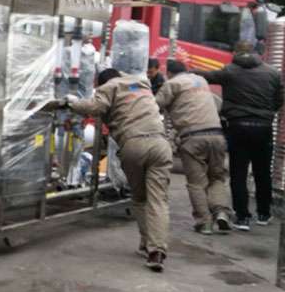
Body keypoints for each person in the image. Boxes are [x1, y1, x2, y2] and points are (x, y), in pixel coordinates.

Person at [57, 68, 172, 272]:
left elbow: (94, 107)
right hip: (161, 144)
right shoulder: (141, 85)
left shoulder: (109, 87)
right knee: (158, 200)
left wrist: (72, 102)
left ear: (101, 82)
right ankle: (157, 251)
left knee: (140, 199)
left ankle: (147, 244)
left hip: (134, 144)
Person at [194, 40, 284, 230]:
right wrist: (267, 114)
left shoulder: (230, 71)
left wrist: (188, 71)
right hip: (263, 128)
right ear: (256, 53)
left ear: (235, 53)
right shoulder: (272, 73)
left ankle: (242, 217)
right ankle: (263, 214)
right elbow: (279, 99)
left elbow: (207, 76)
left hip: (237, 127)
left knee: (238, 173)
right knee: (262, 172)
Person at [155, 60, 232, 234]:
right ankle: (221, 212)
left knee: (196, 183)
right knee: (217, 178)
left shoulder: (172, 84)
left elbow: (154, 106)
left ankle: (204, 222)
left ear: (169, 73)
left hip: (193, 137)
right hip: (217, 136)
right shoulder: (201, 81)